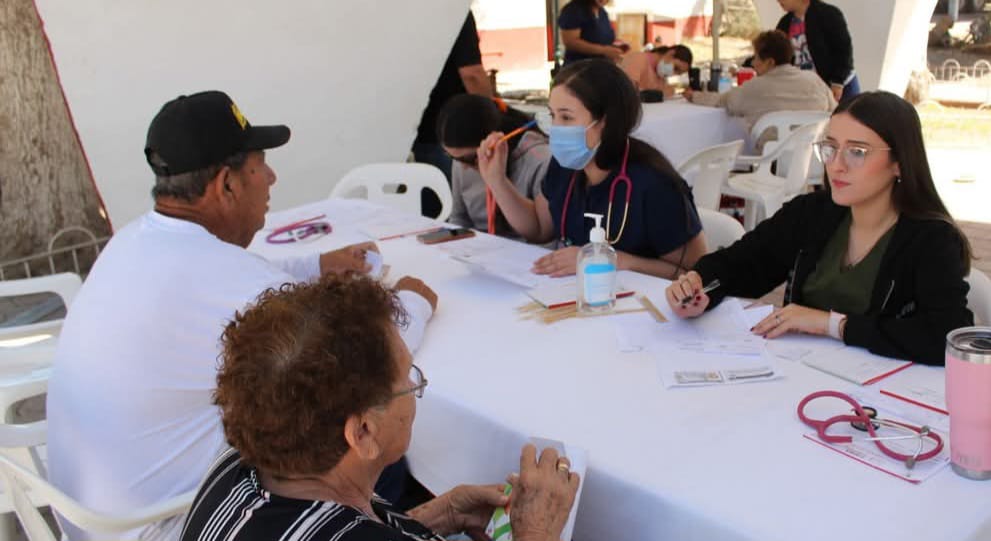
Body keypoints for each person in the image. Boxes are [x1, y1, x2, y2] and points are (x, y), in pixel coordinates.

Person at [46, 91, 439, 541]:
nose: (271, 177)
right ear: (226, 185)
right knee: (355, 440)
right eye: (259, 164)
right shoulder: (223, 278)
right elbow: (364, 357)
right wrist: (412, 301)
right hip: (160, 526)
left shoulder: (135, 239)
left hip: (87, 515)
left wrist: (315, 266)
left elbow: (233, 278)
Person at [180, 274, 579, 541]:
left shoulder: (237, 465)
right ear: (363, 434)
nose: (413, 386)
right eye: (407, 379)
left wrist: (441, 513)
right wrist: (537, 533)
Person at [665, 91, 973, 365]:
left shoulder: (930, 239)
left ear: (899, 162)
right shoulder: (813, 213)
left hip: (881, 393)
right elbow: (745, 263)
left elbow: (944, 337)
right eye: (830, 148)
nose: (836, 165)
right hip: (799, 373)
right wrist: (701, 286)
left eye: (857, 152)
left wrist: (832, 325)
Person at [477, 59, 707, 279]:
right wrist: (496, 180)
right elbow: (538, 228)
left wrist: (614, 260)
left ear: (606, 121)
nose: (555, 128)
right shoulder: (566, 165)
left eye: (566, 117)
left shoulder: (655, 185)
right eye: (552, 115)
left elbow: (695, 273)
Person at [688, 30, 836, 147]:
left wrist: (693, 95)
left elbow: (722, 101)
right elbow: (834, 112)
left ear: (770, 62)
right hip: (815, 161)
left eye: (757, 58)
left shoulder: (755, 88)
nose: (753, 63)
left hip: (770, 164)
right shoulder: (814, 80)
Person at [413, 11, 493, 217]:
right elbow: (472, 74)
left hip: (416, 129)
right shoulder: (452, 11)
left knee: (433, 217)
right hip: (456, 132)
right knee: (467, 217)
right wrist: (492, 119)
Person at [437, 94, 550, 237]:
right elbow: (459, 218)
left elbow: (541, 234)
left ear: (496, 141)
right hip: (481, 250)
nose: (463, 167)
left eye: (470, 159)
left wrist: (497, 180)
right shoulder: (461, 160)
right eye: (452, 157)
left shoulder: (540, 159)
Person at [776, 0, 859, 102]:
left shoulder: (829, 14)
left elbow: (844, 51)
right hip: (812, 92)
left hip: (841, 88)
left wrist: (838, 82)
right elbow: (776, 54)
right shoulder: (784, 23)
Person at [558, 0, 626, 66]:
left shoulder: (602, 12)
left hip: (601, 67)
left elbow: (603, 37)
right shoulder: (573, 10)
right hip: (580, 69)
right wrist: (604, 50)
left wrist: (616, 46)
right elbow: (571, 42)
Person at [620, 44, 693, 95]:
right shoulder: (637, 58)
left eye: (678, 73)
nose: (673, 74)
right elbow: (627, 91)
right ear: (670, 53)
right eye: (676, 68)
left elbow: (683, 89)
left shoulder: (663, 76)